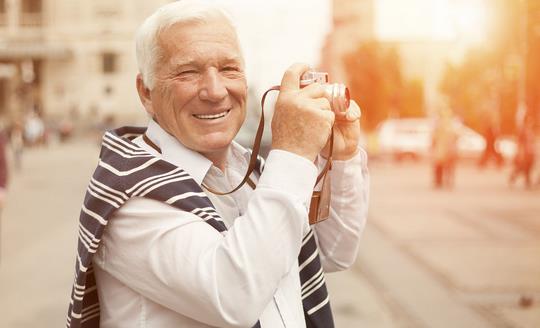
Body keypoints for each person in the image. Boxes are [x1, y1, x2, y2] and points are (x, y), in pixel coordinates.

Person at [66, 2, 369, 328]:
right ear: (146, 93)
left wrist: (342, 155)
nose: (215, 91)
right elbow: (235, 296)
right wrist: (293, 151)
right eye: (188, 72)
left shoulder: (250, 172)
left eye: (228, 69)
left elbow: (332, 251)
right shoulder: (131, 197)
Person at [431, 109, 458, 189]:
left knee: (441, 166)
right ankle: (446, 181)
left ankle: (440, 181)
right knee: (447, 167)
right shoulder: (450, 126)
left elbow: (433, 139)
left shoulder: (440, 126)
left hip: (442, 149)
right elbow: (456, 137)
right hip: (447, 149)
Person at [509, 117, 536, 188]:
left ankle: (526, 180)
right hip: (525, 153)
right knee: (522, 167)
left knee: (528, 167)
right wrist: (520, 153)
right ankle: (515, 177)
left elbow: (532, 142)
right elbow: (520, 143)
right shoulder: (523, 131)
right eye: (529, 121)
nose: (531, 123)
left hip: (530, 152)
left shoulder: (530, 130)